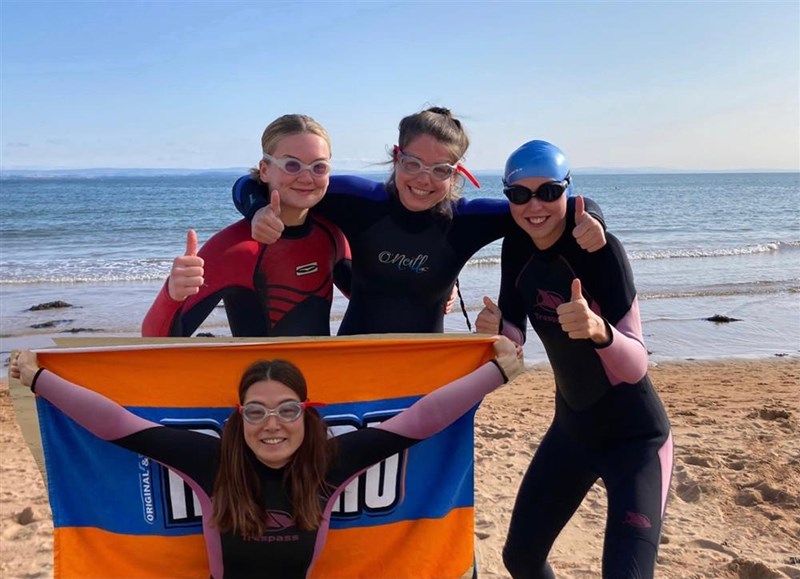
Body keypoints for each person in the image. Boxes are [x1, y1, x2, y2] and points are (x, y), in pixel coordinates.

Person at [10, 336, 523, 578]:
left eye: (286, 410)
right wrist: (38, 379)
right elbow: (117, 425)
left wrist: (495, 373)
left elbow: (421, 421)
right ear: (240, 417)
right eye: (255, 411)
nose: (271, 424)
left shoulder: (329, 462)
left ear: (306, 413)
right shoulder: (211, 462)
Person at [475, 140, 673, 578]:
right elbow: (515, 335)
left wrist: (600, 331)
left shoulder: (601, 249)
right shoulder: (516, 246)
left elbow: (636, 364)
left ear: (568, 190)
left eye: (548, 192)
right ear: (508, 197)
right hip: (573, 431)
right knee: (521, 559)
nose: (534, 206)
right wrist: (497, 330)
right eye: (520, 194)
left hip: (637, 439)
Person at [231, 106, 608, 335]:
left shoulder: (467, 221)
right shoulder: (359, 201)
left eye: (440, 170)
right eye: (413, 164)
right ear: (397, 157)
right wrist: (257, 211)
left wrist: (591, 216)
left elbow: (549, 204)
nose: (424, 180)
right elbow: (251, 182)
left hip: (425, 364)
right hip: (353, 356)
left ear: (457, 174)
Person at [142, 114, 351, 337]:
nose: (307, 178)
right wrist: (172, 295)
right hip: (259, 362)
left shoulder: (332, 236)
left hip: (320, 361)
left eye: (318, 167)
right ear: (264, 170)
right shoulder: (234, 247)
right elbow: (156, 339)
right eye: (292, 165)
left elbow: (370, 299)